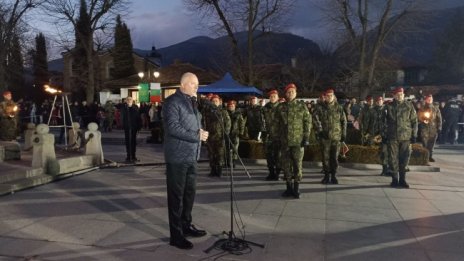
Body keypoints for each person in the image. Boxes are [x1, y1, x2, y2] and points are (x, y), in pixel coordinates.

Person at [162, 72, 209, 250]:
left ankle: (186, 225)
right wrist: (196, 136)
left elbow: (192, 125)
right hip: (177, 157)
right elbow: (173, 128)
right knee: (176, 197)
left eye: (197, 84)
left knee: (189, 194)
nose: (196, 87)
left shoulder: (191, 102)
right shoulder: (172, 102)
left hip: (191, 156)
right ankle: (176, 235)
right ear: (183, 85)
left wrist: (200, 132)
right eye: (193, 84)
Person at [276, 83, 312, 199]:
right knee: (286, 165)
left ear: (295, 93)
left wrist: (306, 137)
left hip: (298, 141)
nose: (290, 93)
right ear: (285, 94)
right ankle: (288, 188)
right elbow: (276, 124)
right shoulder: (280, 107)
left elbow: (307, 122)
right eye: (288, 92)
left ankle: (296, 188)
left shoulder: (301, 106)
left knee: (297, 165)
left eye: (292, 91)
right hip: (285, 142)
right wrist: (277, 138)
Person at [382, 87, 418, 188]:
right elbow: (383, 122)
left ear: (404, 95)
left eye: (401, 94)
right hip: (392, 136)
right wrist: (384, 135)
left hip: (405, 137)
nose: (399, 96)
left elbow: (414, 121)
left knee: (404, 159)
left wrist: (414, 135)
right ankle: (394, 179)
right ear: (394, 95)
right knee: (393, 159)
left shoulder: (409, 105)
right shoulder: (388, 106)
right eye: (397, 94)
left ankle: (402, 179)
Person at [313, 88, 347, 185]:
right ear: (325, 97)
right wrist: (320, 131)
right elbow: (315, 119)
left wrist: (344, 134)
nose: (329, 97)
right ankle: (327, 176)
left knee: (334, 158)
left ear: (334, 97)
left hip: (336, 137)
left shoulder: (339, 108)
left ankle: (334, 176)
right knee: (325, 158)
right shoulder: (320, 107)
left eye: (331, 96)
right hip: (325, 138)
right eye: (327, 96)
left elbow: (343, 121)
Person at [204, 94, 231, 177]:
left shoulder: (223, 112)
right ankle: (213, 170)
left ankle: (219, 171)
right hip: (210, 137)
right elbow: (204, 123)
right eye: (213, 101)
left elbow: (228, 124)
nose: (215, 102)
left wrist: (225, 134)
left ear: (219, 102)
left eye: (216, 101)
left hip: (220, 137)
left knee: (220, 154)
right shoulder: (207, 112)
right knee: (211, 154)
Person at [263, 89, 282, 181]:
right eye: (271, 96)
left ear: (278, 97)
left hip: (279, 136)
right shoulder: (265, 108)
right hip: (268, 136)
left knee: (278, 156)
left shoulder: (282, 107)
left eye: (274, 96)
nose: (272, 98)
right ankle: (271, 173)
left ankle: (277, 174)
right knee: (269, 156)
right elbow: (262, 121)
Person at [367, 96, 390, 175]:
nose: (379, 101)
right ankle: (385, 168)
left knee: (385, 151)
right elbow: (368, 121)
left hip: (385, 133)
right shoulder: (372, 110)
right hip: (376, 133)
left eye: (381, 100)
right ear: (376, 102)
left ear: (383, 101)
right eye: (378, 100)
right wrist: (368, 132)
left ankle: (385, 169)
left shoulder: (386, 110)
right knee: (380, 151)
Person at [418, 94, 442, 162]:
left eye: (431, 99)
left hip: (433, 129)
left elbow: (439, 118)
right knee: (425, 144)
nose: (430, 100)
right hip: (424, 129)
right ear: (426, 100)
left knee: (431, 144)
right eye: (428, 99)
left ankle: (430, 156)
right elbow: (419, 116)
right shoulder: (422, 108)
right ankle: (424, 157)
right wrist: (423, 120)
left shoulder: (435, 108)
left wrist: (439, 127)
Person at [121, 96, 142, 163]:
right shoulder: (124, 107)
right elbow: (122, 117)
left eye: (130, 99)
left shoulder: (135, 107)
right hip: (127, 127)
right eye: (128, 99)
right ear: (126, 101)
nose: (129, 100)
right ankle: (128, 156)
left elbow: (138, 117)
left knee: (133, 142)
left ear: (132, 100)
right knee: (128, 142)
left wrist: (139, 126)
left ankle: (133, 156)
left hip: (134, 127)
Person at [226, 100, 245, 168]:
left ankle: (233, 161)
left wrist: (241, 132)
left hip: (235, 134)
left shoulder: (238, 114)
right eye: (230, 106)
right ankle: (228, 161)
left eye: (232, 106)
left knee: (234, 148)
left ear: (235, 106)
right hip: (227, 133)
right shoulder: (225, 113)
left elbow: (242, 124)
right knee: (227, 148)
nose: (231, 107)